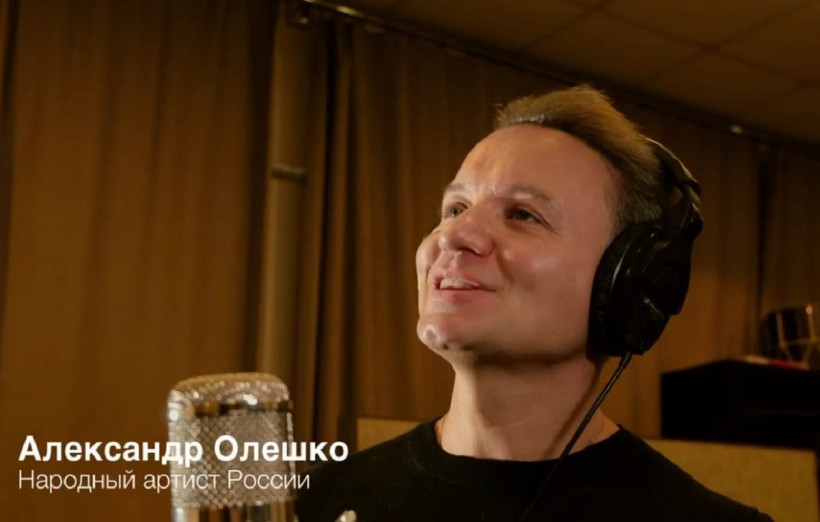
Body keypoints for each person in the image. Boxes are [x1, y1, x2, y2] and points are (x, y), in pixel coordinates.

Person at [296, 86, 773, 521]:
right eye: (456, 208)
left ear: (626, 283)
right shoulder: (316, 502)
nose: (454, 234)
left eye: (523, 215)